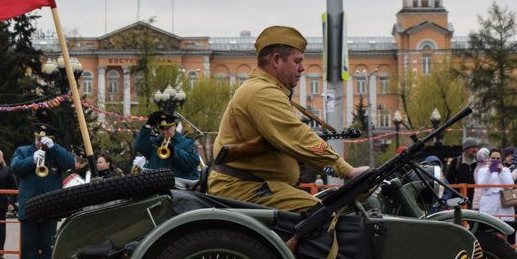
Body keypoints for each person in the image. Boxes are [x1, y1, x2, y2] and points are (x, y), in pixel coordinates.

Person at [207, 26, 369, 213]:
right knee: (320, 215)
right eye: (297, 61)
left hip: (256, 186)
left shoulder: (268, 90)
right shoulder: (262, 93)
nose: (302, 68)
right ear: (276, 59)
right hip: (244, 188)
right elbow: (297, 136)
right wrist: (347, 171)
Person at [12, 122, 74, 259]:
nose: (41, 142)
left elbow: (70, 163)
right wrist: (32, 159)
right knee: (29, 246)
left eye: (45, 139)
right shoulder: (23, 151)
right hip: (29, 207)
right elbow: (16, 168)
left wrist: (53, 147)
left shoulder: (55, 153)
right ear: (34, 137)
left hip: (49, 207)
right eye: (39, 138)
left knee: (49, 246)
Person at [134, 112, 201, 183]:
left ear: (175, 126)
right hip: (155, 183)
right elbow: (139, 147)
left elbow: (191, 164)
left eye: (167, 128)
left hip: (177, 187)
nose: (164, 132)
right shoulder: (154, 142)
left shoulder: (187, 142)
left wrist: (174, 151)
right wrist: (148, 125)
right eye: (161, 128)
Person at [473, 148, 515, 230]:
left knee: (504, 231)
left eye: (498, 158)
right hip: (488, 204)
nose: (495, 160)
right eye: (493, 158)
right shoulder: (482, 170)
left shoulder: (506, 170)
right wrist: (489, 171)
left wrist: (501, 172)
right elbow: (482, 186)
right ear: (489, 158)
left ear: (501, 159)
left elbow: (510, 186)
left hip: (503, 204)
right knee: (487, 230)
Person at [446, 137, 480, 202]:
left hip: (475, 199)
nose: (475, 149)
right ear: (465, 149)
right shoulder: (456, 162)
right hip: (460, 199)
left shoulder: (479, 162)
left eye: (476, 147)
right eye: (472, 147)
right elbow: (450, 181)